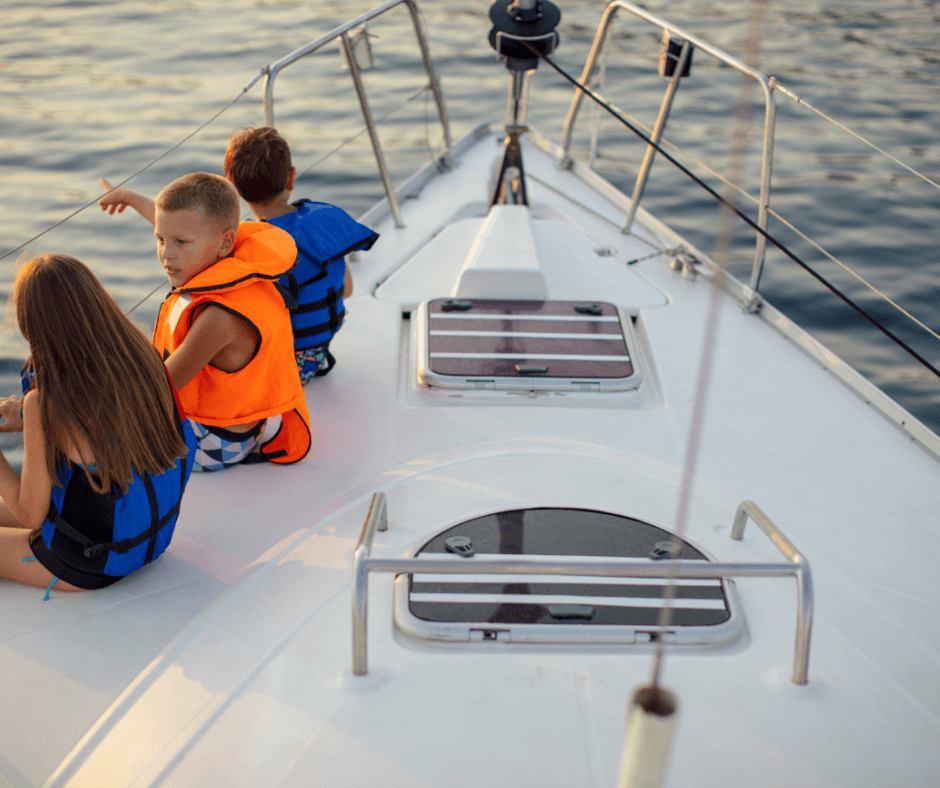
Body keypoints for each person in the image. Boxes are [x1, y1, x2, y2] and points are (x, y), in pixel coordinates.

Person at [0, 254, 196, 597]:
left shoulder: (44, 404)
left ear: (29, 324)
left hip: (84, 564)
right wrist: (27, 423)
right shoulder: (145, 358)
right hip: (147, 540)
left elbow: (31, 514)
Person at [99, 172, 312, 470]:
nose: (166, 254)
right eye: (160, 239)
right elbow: (179, 225)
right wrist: (131, 198)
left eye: (180, 243)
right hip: (236, 422)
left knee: (99, 441)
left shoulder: (219, 318)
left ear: (225, 243)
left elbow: (158, 390)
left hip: (215, 442)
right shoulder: (229, 262)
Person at [224, 127, 379, 382]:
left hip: (280, 365)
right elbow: (347, 289)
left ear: (235, 189)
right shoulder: (321, 224)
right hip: (317, 353)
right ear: (291, 178)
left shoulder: (246, 245)